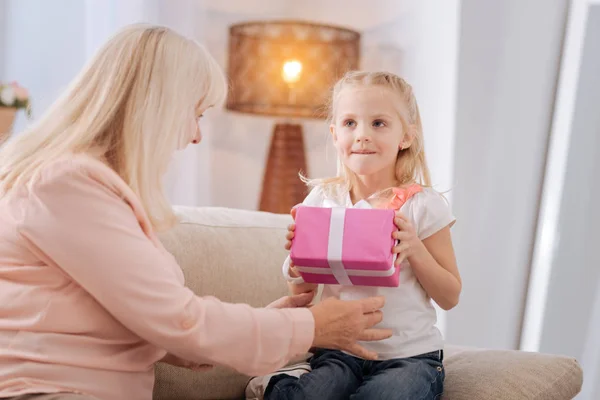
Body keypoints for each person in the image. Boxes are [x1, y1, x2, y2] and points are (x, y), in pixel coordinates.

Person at [0, 25, 393, 400]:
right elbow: (181, 323)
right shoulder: (64, 186)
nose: (195, 135)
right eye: (197, 113)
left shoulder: (84, 187)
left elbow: (167, 331)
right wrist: (312, 327)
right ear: (157, 108)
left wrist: (273, 321)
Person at [245, 71, 462, 400]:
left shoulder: (423, 205)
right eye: (349, 123)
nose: (361, 135)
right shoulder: (322, 200)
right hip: (339, 353)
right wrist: (298, 260)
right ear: (334, 134)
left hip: (408, 358)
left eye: (378, 123)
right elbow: (303, 293)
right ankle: (280, 383)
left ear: (406, 136)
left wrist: (415, 249)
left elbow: (450, 296)